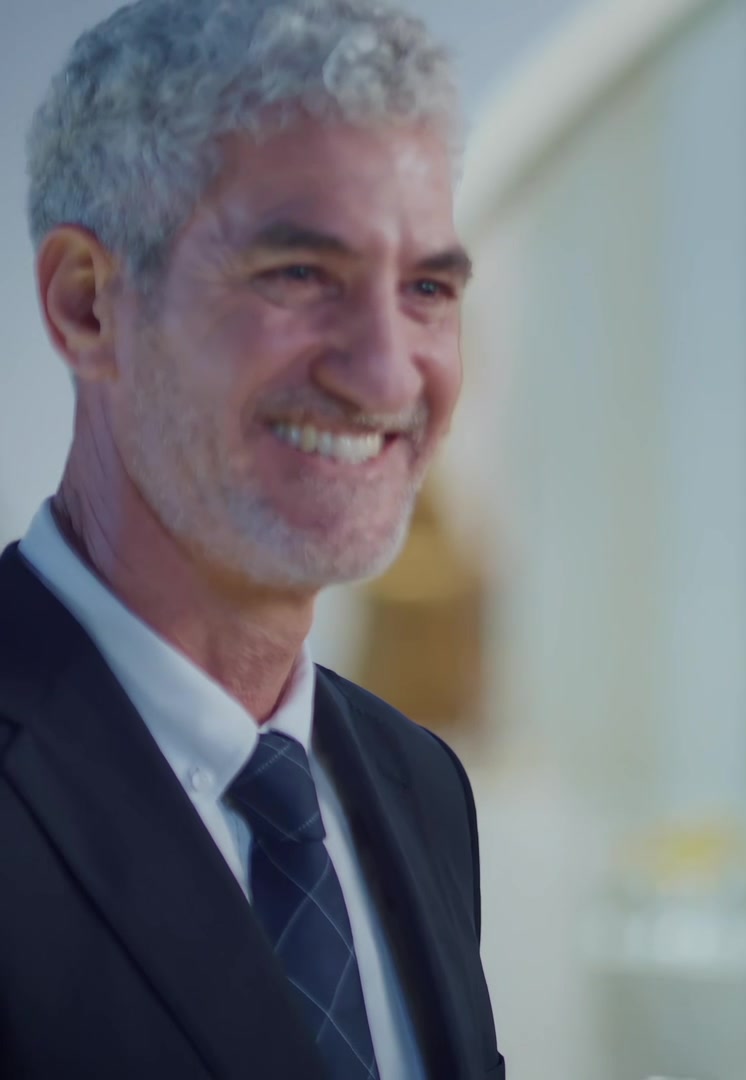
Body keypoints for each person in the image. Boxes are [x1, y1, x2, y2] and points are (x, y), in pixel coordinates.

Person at [0, 1, 501, 1077]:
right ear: (88, 306)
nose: (386, 372)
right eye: (300, 275)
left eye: (426, 288)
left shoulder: (420, 789)